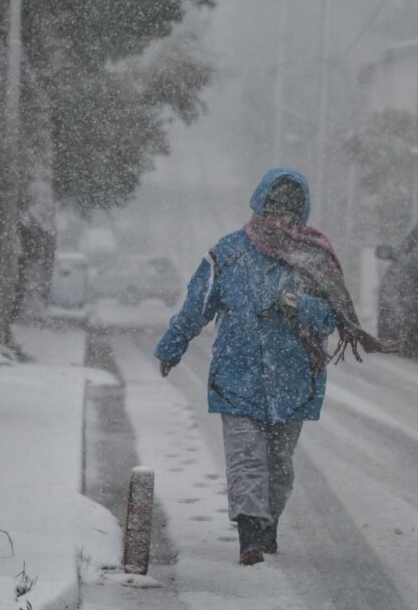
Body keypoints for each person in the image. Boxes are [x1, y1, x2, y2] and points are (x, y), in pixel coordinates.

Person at [155, 168, 398, 566]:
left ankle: (268, 526)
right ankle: (250, 533)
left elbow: (330, 319)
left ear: (302, 212)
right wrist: (173, 346)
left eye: (290, 208)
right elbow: (197, 305)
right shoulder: (228, 253)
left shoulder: (315, 259)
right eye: (274, 206)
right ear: (259, 204)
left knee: (279, 466)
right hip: (236, 375)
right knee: (245, 458)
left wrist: (299, 305)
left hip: (293, 379)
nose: (281, 216)